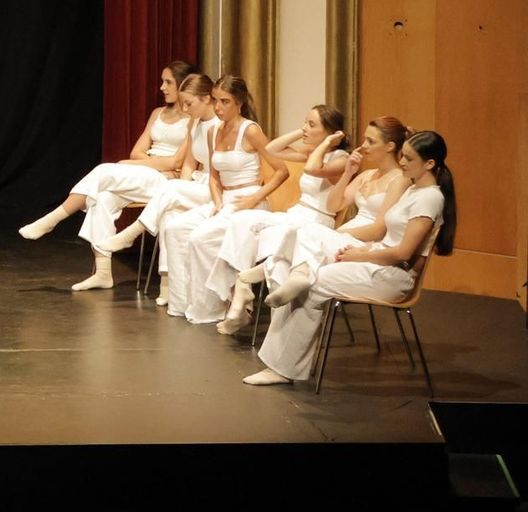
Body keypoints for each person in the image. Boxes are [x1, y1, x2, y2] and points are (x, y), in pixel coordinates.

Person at [244, 128, 452, 387]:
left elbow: (403, 253)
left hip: (391, 276)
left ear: (429, 163)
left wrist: (361, 255)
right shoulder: (414, 191)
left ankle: (283, 368)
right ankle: (281, 357)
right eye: (403, 156)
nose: (402, 162)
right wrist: (363, 253)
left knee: (311, 285)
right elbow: (389, 239)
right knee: (307, 240)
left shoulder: (429, 198)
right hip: (377, 260)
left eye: (409, 159)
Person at [18, 61, 199, 292]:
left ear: (183, 84)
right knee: (103, 196)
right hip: (146, 171)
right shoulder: (158, 113)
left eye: (168, 82)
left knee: (104, 171)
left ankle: (53, 218)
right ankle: (103, 272)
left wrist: (138, 163)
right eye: (162, 81)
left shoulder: (193, 117)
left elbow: (176, 161)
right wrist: (141, 163)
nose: (162, 87)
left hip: (167, 179)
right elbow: (136, 151)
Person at [200, 105, 349, 335]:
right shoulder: (312, 152)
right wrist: (303, 133)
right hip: (296, 213)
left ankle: (245, 285)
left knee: (279, 232)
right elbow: (272, 148)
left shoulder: (341, 158)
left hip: (317, 223)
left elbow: (312, 168)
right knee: (242, 220)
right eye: (305, 122)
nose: (304, 128)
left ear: (331, 132)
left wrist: (327, 144)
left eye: (311, 124)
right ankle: (242, 289)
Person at [156, 76, 277, 319]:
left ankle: (211, 308)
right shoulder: (213, 131)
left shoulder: (250, 130)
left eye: (225, 102)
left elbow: (281, 170)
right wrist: (218, 200)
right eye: (216, 101)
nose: (219, 107)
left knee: (200, 238)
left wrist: (254, 199)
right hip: (224, 199)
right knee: (175, 228)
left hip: (249, 201)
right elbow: (213, 175)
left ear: (238, 103)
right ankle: (181, 303)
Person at [93, 75, 219, 295]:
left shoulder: (220, 125)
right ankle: (168, 287)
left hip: (217, 188)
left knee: (170, 190)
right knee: (170, 214)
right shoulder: (197, 123)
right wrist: (182, 189)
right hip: (198, 185)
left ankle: (132, 232)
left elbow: (217, 170)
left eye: (189, 103)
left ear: (207, 99)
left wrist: (179, 189)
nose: (186, 109)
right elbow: (189, 164)